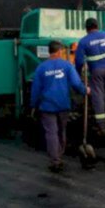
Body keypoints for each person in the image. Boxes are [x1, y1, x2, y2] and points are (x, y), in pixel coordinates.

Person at [30, 40, 87, 173]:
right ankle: (59, 156)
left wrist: (33, 105)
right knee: (61, 131)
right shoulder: (66, 65)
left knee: (51, 132)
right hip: (63, 104)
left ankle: (55, 160)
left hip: (47, 105)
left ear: (49, 52)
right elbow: (76, 83)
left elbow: (36, 89)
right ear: (60, 51)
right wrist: (85, 91)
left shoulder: (41, 68)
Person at [75, 17, 105, 133]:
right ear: (97, 26)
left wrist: (77, 73)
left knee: (98, 96)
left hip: (96, 71)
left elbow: (79, 61)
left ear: (86, 28)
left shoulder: (83, 41)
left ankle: (101, 124)